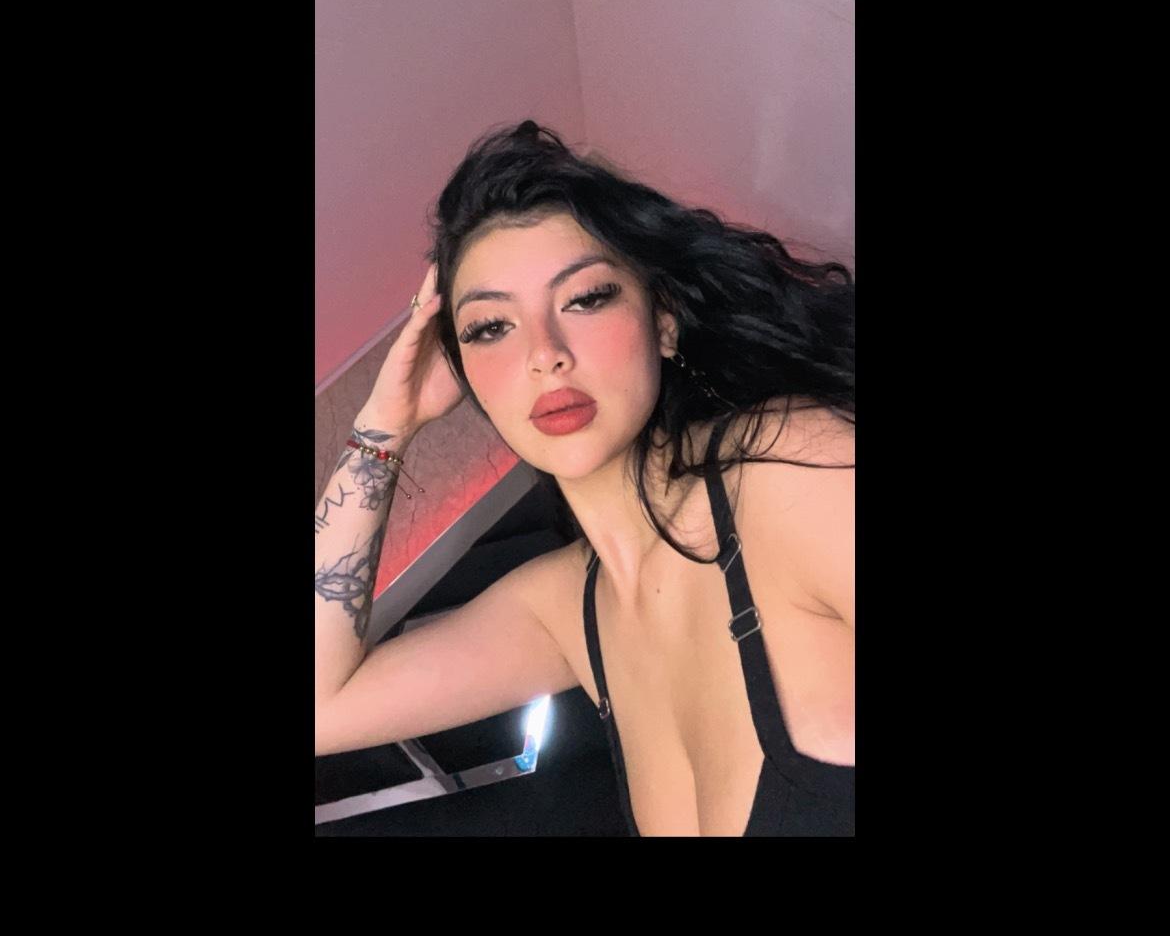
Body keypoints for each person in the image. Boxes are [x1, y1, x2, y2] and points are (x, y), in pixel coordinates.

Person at [314, 119, 854, 836]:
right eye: (490, 328)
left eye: (587, 298)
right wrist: (385, 425)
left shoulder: (788, 469)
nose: (546, 354)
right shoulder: (567, 609)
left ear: (664, 323)